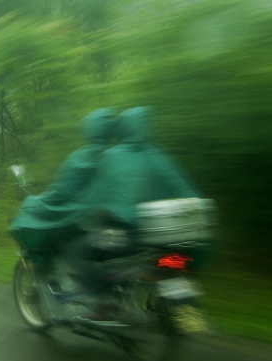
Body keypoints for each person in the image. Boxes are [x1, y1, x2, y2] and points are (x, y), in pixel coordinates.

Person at [64, 106, 202, 320]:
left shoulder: (112, 156)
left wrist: (77, 216)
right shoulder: (160, 156)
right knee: (170, 263)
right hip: (162, 238)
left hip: (123, 236)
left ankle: (106, 299)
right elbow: (185, 190)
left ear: (123, 129)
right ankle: (188, 317)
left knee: (76, 250)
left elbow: (94, 195)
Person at [8, 108, 118, 270]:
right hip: (114, 220)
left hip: (86, 221)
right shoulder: (119, 155)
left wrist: (35, 203)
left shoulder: (82, 158)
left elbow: (61, 192)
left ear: (89, 130)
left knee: (63, 241)